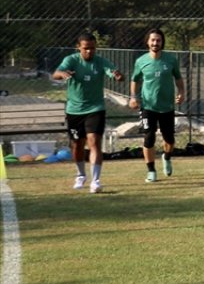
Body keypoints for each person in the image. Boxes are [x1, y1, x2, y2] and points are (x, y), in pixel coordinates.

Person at [52, 32, 124, 194]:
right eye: (86, 48)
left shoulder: (101, 62)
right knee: (77, 145)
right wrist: (62, 74)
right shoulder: (71, 60)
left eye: (92, 48)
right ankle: (81, 175)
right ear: (79, 48)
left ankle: (96, 181)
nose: (89, 52)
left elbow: (112, 72)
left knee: (94, 142)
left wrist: (117, 75)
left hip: (95, 108)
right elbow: (55, 73)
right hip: (74, 110)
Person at [129, 29, 185, 183]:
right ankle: (151, 170)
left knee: (169, 139)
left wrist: (181, 92)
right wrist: (133, 97)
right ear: (148, 42)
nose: (155, 43)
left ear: (162, 42)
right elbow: (135, 80)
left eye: (158, 40)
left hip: (167, 106)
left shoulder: (171, 60)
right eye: (152, 40)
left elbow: (178, 79)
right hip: (148, 106)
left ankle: (166, 157)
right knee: (149, 136)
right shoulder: (141, 61)